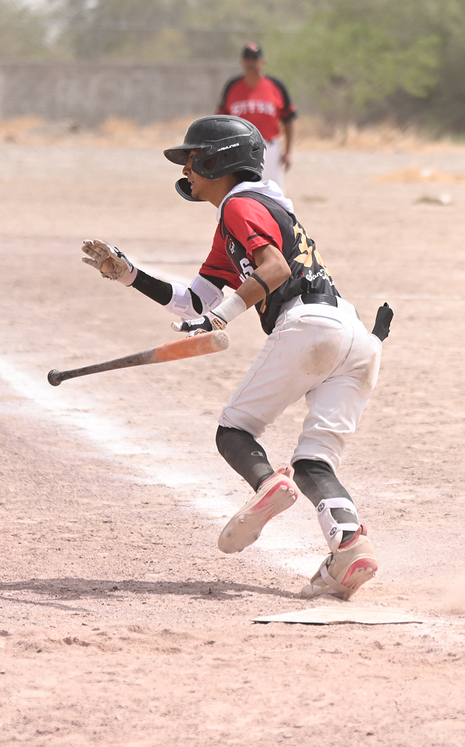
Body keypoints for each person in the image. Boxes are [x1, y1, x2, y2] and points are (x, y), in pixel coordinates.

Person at [79, 115, 391, 600]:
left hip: (310, 326)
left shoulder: (240, 205)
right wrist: (129, 275)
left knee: (234, 432)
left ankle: (268, 485)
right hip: (357, 339)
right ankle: (349, 545)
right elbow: (194, 302)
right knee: (315, 462)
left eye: (192, 160)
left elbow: (274, 268)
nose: (186, 171)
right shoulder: (244, 216)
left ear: (217, 161)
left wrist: (219, 318)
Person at [217, 42, 296, 187]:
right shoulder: (232, 86)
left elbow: (288, 119)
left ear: (263, 62)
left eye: (254, 58)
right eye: (247, 58)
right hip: (239, 148)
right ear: (242, 62)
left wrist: (288, 152)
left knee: (272, 190)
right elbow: (221, 121)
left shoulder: (275, 86)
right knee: (241, 190)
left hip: (270, 148)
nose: (251, 63)